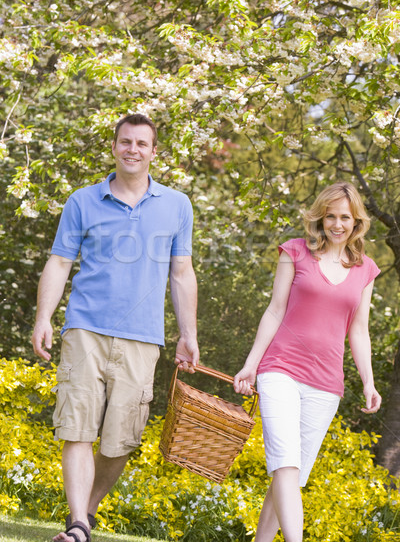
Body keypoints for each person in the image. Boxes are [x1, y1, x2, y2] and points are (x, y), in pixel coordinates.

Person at [31, 113, 199, 542]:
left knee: (120, 440)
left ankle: (85, 512)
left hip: (143, 337)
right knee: (77, 427)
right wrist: (43, 318)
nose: (133, 150)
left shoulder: (177, 205)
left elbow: (181, 272)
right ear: (114, 147)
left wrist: (188, 334)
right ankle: (77, 524)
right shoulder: (83, 201)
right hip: (85, 328)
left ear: (154, 152)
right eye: (126, 142)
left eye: (142, 144)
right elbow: (60, 262)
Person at [233, 182, 381, 542]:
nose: (337, 224)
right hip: (280, 368)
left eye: (345, 217)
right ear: (320, 218)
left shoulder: (366, 269)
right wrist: (251, 363)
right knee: (285, 462)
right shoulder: (295, 252)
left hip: (326, 384)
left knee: (291, 476)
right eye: (330, 216)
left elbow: (358, 331)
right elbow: (274, 310)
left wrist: (368, 382)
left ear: (356, 221)